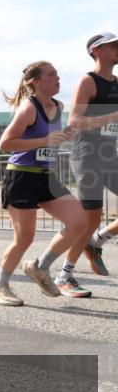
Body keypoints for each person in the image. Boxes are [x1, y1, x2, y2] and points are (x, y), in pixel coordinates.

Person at [0, 61, 85, 305]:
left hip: (45, 176)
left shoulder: (58, 106)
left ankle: (40, 267)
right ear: (36, 82)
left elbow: (49, 140)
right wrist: (44, 139)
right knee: (24, 238)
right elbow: (5, 143)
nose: (58, 78)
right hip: (21, 175)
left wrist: (63, 135)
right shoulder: (29, 108)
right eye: (52, 74)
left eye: (58, 74)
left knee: (78, 222)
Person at [58, 32, 118, 285]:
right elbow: (75, 122)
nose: (117, 48)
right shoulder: (88, 81)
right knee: (91, 217)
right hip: (87, 155)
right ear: (97, 50)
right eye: (113, 45)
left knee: (94, 224)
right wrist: (111, 117)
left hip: (109, 154)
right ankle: (64, 274)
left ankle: (97, 242)